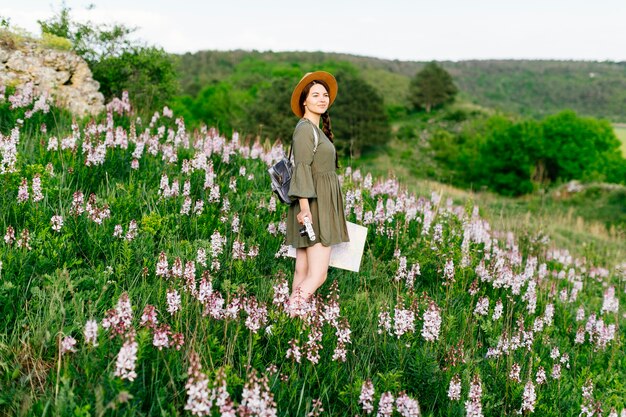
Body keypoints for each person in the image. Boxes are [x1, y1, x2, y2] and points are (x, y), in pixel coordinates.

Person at [286, 71, 349, 313]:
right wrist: (305, 210)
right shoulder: (305, 129)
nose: (322, 99)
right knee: (318, 275)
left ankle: (294, 323)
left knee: (302, 271)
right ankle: (281, 319)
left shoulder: (314, 129)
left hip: (314, 204)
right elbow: (301, 168)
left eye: (325, 95)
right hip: (313, 206)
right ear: (304, 100)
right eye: (315, 95)